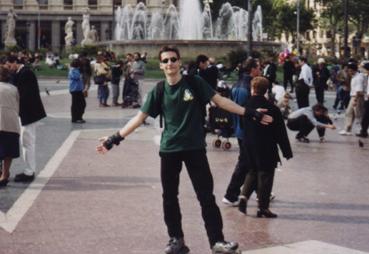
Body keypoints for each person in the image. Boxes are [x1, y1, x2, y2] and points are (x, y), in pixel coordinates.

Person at [97, 46, 273, 254]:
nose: (170, 63)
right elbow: (139, 118)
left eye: (173, 59)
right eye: (165, 61)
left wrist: (249, 112)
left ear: (179, 62)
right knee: (169, 197)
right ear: (161, 65)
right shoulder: (159, 90)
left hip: (195, 149)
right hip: (170, 149)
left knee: (206, 197)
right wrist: (114, 138)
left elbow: (220, 101)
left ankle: (217, 241)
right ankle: (176, 240)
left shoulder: (194, 83)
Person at [238, 77, 293, 218]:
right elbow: (281, 132)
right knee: (265, 175)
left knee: (252, 171)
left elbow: (242, 125)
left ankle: (243, 197)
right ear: (266, 90)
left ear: (252, 89)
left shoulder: (245, 106)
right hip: (267, 147)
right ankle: (263, 208)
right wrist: (286, 151)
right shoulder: (272, 108)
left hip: (248, 146)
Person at [222, 57, 260, 206]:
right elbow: (247, 111)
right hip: (246, 130)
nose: (260, 70)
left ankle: (261, 192)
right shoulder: (248, 87)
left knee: (251, 162)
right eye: (259, 67)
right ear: (252, 69)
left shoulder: (237, 84)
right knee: (245, 163)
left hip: (239, 128)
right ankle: (230, 195)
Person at [5, 56, 47, 183]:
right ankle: (29, 170)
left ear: (15, 63)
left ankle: (29, 171)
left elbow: (24, 95)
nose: (8, 69)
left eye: (9, 66)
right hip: (25, 112)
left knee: (28, 141)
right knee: (26, 141)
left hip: (29, 113)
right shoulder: (19, 73)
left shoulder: (26, 73)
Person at [0, 66, 20, 188]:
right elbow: (18, 106)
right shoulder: (14, 89)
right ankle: (5, 173)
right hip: (11, 122)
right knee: (8, 150)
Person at [339, 62, 366, 136]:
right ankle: (347, 129)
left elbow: (359, 90)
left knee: (359, 114)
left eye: (349, 70)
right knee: (349, 113)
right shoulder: (354, 76)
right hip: (353, 96)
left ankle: (363, 129)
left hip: (357, 97)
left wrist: (355, 100)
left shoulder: (359, 78)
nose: (348, 71)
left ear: (352, 70)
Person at [68, 59, 86, 123]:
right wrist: (80, 73)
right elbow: (76, 77)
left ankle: (79, 117)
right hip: (74, 90)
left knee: (82, 104)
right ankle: (75, 118)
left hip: (79, 89)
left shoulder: (77, 70)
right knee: (76, 104)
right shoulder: (72, 70)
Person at [356, 63, 369, 139]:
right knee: (365, 116)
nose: (363, 70)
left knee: (365, 116)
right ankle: (363, 131)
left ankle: (363, 131)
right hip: (366, 98)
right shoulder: (366, 76)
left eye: (364, 69)